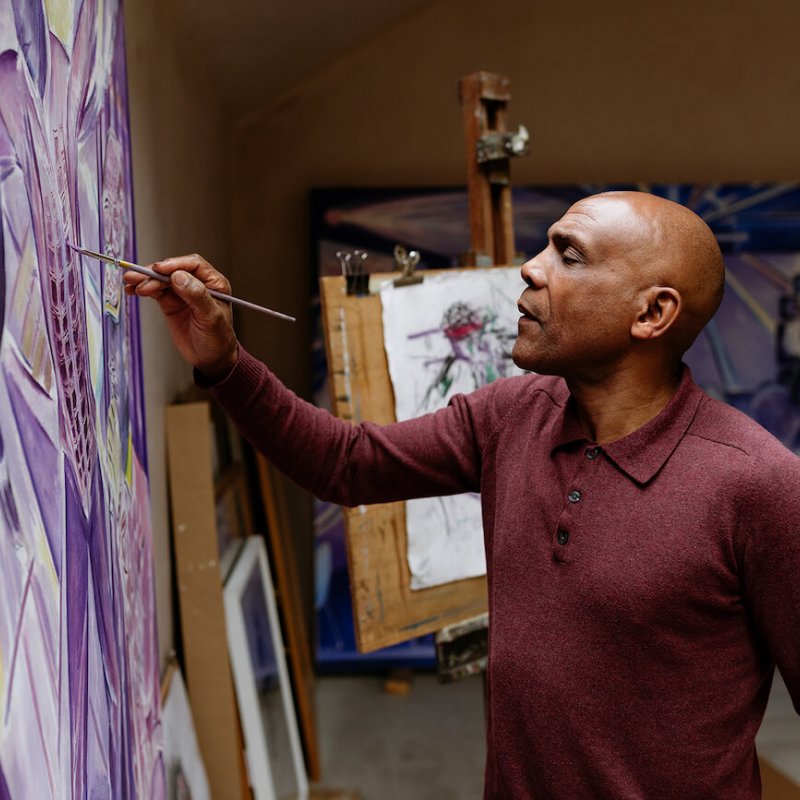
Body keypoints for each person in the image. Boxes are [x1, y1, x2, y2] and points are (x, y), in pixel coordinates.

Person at [126, 191, 800, 800]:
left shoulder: (756, 484)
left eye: (569, 255)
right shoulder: (511, 415)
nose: (531, 269)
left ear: (652, 313)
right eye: (545, 247)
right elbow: (347, 463)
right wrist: (222, 360)